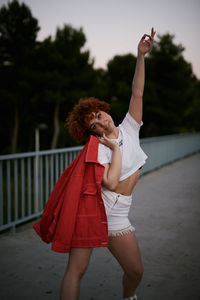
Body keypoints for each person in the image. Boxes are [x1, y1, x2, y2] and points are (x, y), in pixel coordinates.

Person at [34, 28, 155, 300]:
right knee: (76, 270)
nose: (101, 121)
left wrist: (140, 57)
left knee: (135, 272)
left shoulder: (129, 128)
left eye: (100, 114)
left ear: (105, 109)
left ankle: (128, 297)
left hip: (121, 211)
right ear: (92, 132)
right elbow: (110, 183)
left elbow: (137, 93)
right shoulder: (98, 151)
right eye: (94, 124)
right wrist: (113, 149)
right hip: (102, 211)